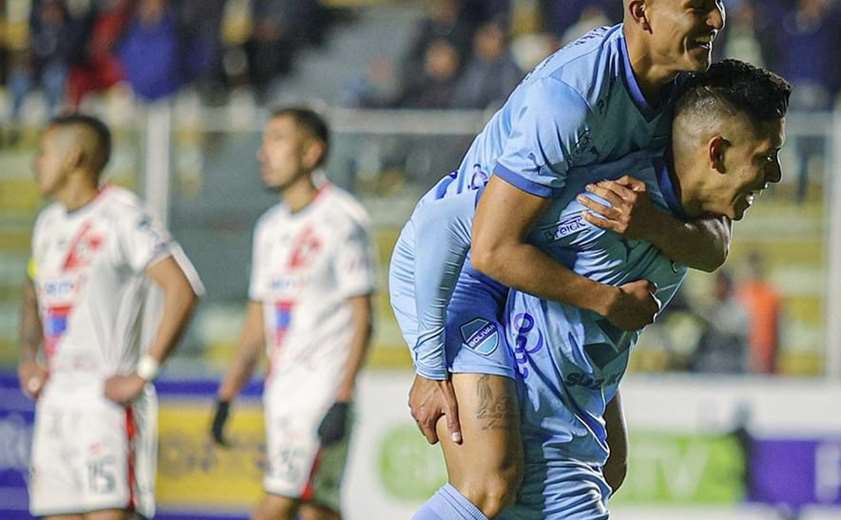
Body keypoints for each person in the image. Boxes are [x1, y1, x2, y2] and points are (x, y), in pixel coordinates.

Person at [394, 58, 789, 519]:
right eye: (765, 157)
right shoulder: (604, 200)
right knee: (489, 484)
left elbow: (698, 256)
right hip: (464, 292)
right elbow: (445, 226)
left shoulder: (688, 224)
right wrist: (430, 368)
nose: (776, 174)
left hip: (571, 412)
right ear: (717, 152)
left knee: (605, 470)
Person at [19, 114, 202, 519]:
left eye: (45, 153)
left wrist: (144, 370)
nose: (36, 163)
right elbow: (32, 292)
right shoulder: (47, 224)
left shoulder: (123, 215)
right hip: (56, 405)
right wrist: (29, 357)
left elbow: (181, 287)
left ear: (74, 157)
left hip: (105, 405)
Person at [210, 107, 376, 520]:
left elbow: (363, 316)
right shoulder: (269, 228)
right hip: (282, 390)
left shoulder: (342, 219)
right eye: (265, 140)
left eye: (278, 139)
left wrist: (342, 396)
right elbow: (257, 320)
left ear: (311, 152)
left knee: (276, 504)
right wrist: (228, 392)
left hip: (322, 392)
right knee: (316, 507)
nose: (263, 152)